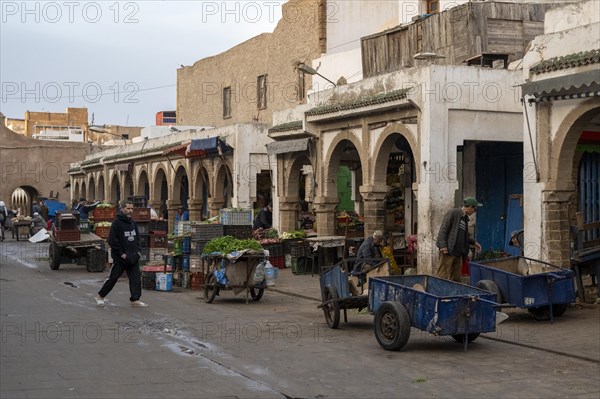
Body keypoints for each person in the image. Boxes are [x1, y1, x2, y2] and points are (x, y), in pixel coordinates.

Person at [96, 200, 147, 307]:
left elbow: (137, 238)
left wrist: (138, 252)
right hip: (120, 258)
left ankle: (135, 299)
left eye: (132, 208)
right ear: (122, 209)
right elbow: (112, 241)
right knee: (113, 278)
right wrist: (121, 254)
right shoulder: (116, 223)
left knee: (136, 279)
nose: (130, 211)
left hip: (133, 257)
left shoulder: (132, 223)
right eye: (128, 208)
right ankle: (100, 296)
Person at [436, 197, 483, 282]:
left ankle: (452, 294)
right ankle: (437, 293)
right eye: (474, 209)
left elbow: (463, 236)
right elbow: (443, 230)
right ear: (470, 207)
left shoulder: (464, 219)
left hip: (458, 253)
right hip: (448, 251)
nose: (474, 212)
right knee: (442, 276)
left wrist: (473, 242)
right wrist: (443, 245)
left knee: (456, 279)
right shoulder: (453, 213)